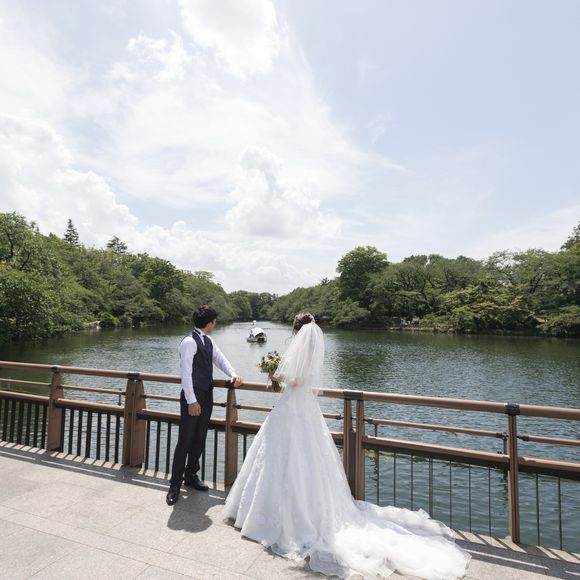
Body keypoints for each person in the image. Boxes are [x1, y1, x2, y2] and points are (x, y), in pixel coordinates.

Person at [224, 312, 470, 579]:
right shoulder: (313, 349)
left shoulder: (299, 350)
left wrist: (275, 374)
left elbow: (294, 381)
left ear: (296, 330)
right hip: (305, 409)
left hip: (292, 408)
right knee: (306, 459)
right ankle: (306, 510)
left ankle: (272, 514)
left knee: (283, 456)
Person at [166, 305, 243, 506]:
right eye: (214, 321)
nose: (215, 324)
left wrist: (233, 373)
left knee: (200, 437)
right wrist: (191, 400)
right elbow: (185, 373)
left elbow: (219, 359)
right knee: (185, 439)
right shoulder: (189, 342)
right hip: (192, 397)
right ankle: (174, 484)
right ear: (210, 323)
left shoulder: (208, 341)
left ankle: (191, 475)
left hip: (207, 394)